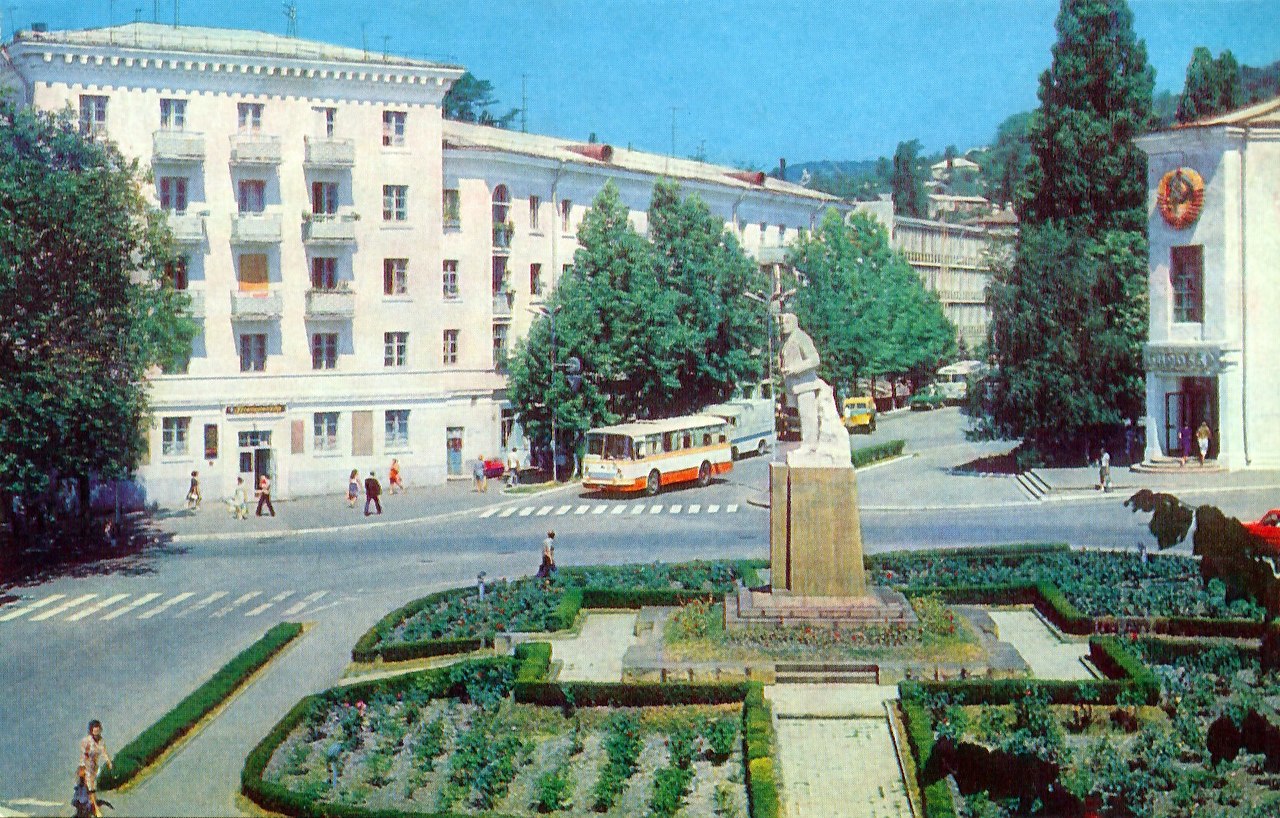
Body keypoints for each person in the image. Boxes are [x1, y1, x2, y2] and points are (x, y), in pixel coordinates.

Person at [80, 720, 112, 818]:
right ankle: (96, 809)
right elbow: (83, 755)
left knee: (93, 787)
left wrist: (108, 761)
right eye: (95, 732)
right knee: (91, 788)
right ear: (91, 732)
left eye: (98, 732)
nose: (97, 734)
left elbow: (103, 751)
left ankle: (90, 803)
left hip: (94, 767)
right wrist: (82, 767)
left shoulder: (101, 741)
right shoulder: (87, 741)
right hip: (87, 766)